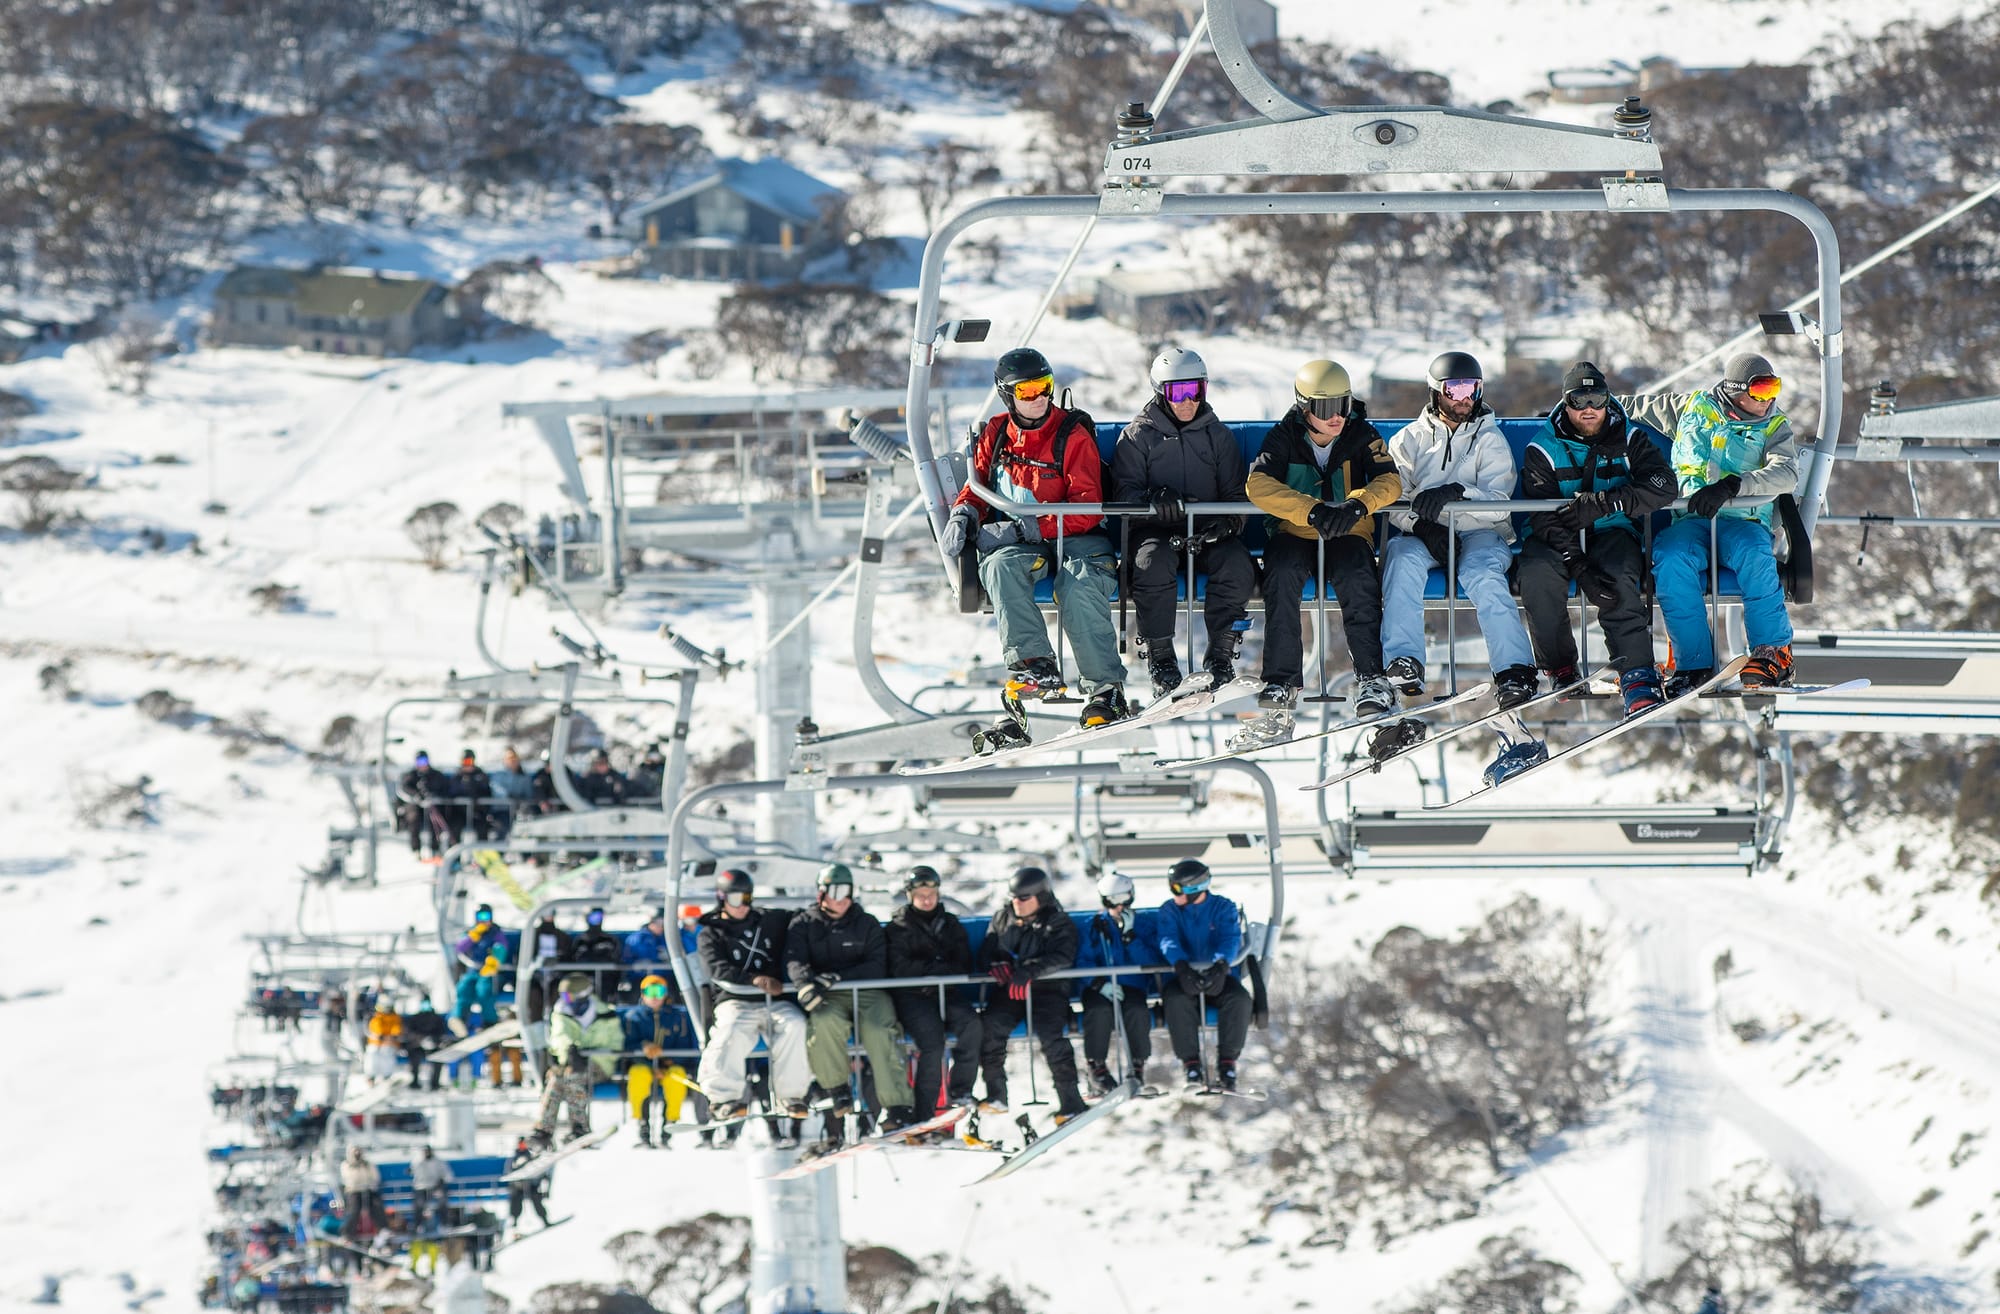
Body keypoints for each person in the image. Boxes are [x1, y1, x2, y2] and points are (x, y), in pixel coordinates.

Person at [939, 346, 1130, 750]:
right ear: (1008, 396)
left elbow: (1088, 509)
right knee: (999, 567)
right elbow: (976, 490)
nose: (1039, 398)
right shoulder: (994, 433)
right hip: (1025, 542)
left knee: (1079, 586)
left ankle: (1104, 692)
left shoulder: (1071, 435)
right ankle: (1033, 665)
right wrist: (964, 514)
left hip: (1077, 537)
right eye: (1026, 392)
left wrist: (1027, 526)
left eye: (1044, 387)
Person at [1381, 352, 1547, 785]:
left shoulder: (1489, 440)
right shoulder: (1409, 440)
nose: (1464, 398)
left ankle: (1514, 670)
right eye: (1454, 389)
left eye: (1471, 389)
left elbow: (1499, 502)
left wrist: (1458, 495)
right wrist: (1423, 524)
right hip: (1425, 535)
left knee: (1482, 575)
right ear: (1436, 392)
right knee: (1400, 561)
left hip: (1479, 533)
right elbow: (1393, 500)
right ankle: (1404, 659)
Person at [1243, 359, 1404, 742]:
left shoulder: (1361, 434)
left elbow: (1390, 480)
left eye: (1343, 406)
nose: (1337, 418)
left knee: (1357, 577)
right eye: (1326, 408)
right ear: (1305, 408)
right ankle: (1282, 681)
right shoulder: (1284, 436)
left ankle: (1370, 677)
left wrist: (1358, 505)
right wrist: (1309, 510)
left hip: (1348, 531)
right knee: (1280, 575)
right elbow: (1257, 485)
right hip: (1297, 532)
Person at [1518, 362, 1678, 715]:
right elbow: (1542, 517)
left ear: (1607, 401)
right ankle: (1560, 667)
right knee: (1537, 572)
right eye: (1579, 400)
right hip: (1555, 535)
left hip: (1611, 529)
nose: (1589, 408)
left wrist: (1609, 502)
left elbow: (1664, 485)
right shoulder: (1543, 448)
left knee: (1619, 571)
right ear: (1566, 404)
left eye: (1597, 398)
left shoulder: (1630, 438)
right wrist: (1578, 565)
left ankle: (1636, 673)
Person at [1652, 352, 1800, 693]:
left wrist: (1735, 485)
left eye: (1774, 387)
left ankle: (1772, 653)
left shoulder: (1775, 427)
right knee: (1671, 556)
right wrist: (1578, 415)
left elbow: (1786, 473)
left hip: (1742, 519)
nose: (1769, 399)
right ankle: (1693, 663)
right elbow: (1628, 407)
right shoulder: (1691, 408)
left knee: (1753, 554)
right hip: (1693, 519)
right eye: (1761, 389)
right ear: (1736, 390)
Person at [1111, 345, 1254, 696]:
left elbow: (1236, 495)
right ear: (1161, 393)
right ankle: (1160, 655)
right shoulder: (1138, 436)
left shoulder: (1217, 436)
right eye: (1178, 392)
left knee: (1237, 564)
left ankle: (1221, 653)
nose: (1188, 401)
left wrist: (1227, 523)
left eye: (1196, 390)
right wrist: (1152, 500)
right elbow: (1123, 494)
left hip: (1208, 532)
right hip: (1155, 532)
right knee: (1150, 563)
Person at [787, 863, 917, 1141]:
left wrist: (838, 976)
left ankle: (897, 1106)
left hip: (867, 990)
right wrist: (805, 984)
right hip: (828, 996)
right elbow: (794, 958)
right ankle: (837, 1090)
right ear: (821, 893)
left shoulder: (865, 923)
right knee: (823, 1022)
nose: (842, 898)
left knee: (879, 1030)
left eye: (847, 891)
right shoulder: (804, 925)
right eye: (835, 891)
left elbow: (877, 963)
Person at [695, 869, 812, 1137]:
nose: (743, 905)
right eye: (736, 899)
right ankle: (723, 1098)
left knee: (796, 1025)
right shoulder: (711, 932)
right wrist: (753, 979)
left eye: (747, 898)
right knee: (731, 1030)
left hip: (773, 1000)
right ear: (722, 898)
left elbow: (799, 918)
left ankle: (791, 1095)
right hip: (735, 999)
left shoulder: (767, 921)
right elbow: (716, 969)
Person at [975, 866, 1088, 1122]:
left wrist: (1031, 971)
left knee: (1051, 1034)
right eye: (1014, 897)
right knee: (991, 1027)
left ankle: (1071, 1100)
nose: (1018, 903)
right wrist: (996, 964)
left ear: (1040, 897)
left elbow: (1063, 955)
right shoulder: (1002, 918)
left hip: (1047, 990)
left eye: (1024, 898)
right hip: (1011, 991)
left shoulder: (1057, 921)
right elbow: (987, 951)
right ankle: (996, 1094)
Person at [885, 865, 981, 1116]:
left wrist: (934, 972)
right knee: (932, 1043)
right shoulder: (898, 928)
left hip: (946, 992)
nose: (927, 899)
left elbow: (961, 962)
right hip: (913, 997)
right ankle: (925, 1109)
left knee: (971, 1024)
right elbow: (899, 967)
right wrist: (934, 968)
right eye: (920, 895)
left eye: (931, 893)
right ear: (910, 896)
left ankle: (961, 1089)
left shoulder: (949, 925)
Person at [1155, 859, 1251, 1091]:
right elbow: (1167, 938)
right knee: (1176, 1000)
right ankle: (1191, 1064)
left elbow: (1229, 937)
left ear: (1193, 888)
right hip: (1183, 977)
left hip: (1217, 975)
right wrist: (1181, 966)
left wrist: (1220, 966)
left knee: (1239, 999)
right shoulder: (1170, 910)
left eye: (1177, 888)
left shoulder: (1223, 907)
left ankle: (1227, 1063)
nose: (1173, 893)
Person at [1075, 872, 1157, 1093]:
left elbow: (1151, 960)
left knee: (1137, 1010)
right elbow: (1082, 959)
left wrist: (1130, 937)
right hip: (1099, 986)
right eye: (1113, 900)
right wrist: (1098, 982)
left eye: (1125, 899)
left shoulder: (1143, 926)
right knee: (1099, 1011)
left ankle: (1137, 1064)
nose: (1120, 906)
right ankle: (1096, 1065)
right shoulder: (1092, 927)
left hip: (1132, 984)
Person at [531, 974, 620, 1148]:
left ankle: (579, 1127)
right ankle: (543, 1131)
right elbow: (559, 1038)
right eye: (564, 996)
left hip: (600, 1065)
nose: (566, 1000)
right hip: (570, 1064)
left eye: (569, 996)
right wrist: (570, 1054)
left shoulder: (606, 1014)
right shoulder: (561, 1012)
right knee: (557, 1078)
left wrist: (588, 1057)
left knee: (571, 1078)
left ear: (583, 994)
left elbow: (614, 1044)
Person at [621, 974, 704, 1147]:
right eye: (650, 991)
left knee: (677, 1077)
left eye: (659, 991)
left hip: (670, 1065)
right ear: (642, 994)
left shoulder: (677, 1017)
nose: (654, 996)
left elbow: (684, 1045)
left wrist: (668, 1062)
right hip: (642, 1065)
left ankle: (669, 1125)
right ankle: (643, 1125)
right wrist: (645, 1050)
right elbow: (628, 1045)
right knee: (638, 1076)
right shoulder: (633, 1017)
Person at [396, 750, 454, 859]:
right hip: (416, 807)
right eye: (419, 762)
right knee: (414, 819)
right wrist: (416, 796)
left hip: (432, 807)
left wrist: (434, 796)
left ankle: (435, 849)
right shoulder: (411, 775)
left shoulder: (436, 775)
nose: (422, 764)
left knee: (435, 818)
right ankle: (416, 849)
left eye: (424, 761)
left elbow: (445, 789)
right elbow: (404, 788)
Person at [570, 906, 623, 1001]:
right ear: (587, 919)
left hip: (606, 981)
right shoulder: (580, 941)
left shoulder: (610, 940)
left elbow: (617, 961)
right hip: (585, 980)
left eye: (599, 918)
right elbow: (574, 961)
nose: (596, 921)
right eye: (593, 918)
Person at [484, 746, 536, 841]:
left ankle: (527, 854)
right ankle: (497, 852)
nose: (512, 761)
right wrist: (509, 796)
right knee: (501, 828)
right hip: (501, 810)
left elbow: (529, 793)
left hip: (519, 810)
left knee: (526, 830)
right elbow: (497, 789)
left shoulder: (523, 776)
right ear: (505, 760)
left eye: (514, 759)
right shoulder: (498, 774)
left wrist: (523, 802)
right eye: (509, 759)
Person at [399, 998, 450, 1091]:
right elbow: (409, 1032)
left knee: (438, 1057)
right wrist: (421, 1040)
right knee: (414, 1056)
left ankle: (435, 1083)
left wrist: (433, 1040)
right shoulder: (415, 1018)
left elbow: (441, 1032)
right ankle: (414, 1082)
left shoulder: (436, 1018)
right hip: (417, 1045)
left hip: (433, 1045)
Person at [504, 1137, 552, 1233]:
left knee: (536, 1199)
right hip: (519, 1187)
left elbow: (537, 1169)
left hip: (531, 1186)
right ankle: (514, 1221)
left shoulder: (531, 1156)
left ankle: (545, 1220)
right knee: (516, 1200)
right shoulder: (513, 1158)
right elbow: (508, 1172)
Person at [621, 908, 672, 995]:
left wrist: (667, 959)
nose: (661, 927)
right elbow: (626, 959)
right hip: (640, 979)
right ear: (652, 922)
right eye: (659, 922)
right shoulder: (637, 938)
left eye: (664, 923)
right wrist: (636, 965)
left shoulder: (667, 938)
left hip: (663, 979)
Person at [338, 1147, 385, 1239]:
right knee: (353, 1211)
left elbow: (375, 1177)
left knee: (377, 1207)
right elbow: (350, 1179)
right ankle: (347, 1233)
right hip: (353, 1191)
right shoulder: (346, 1165)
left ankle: (383, 1229)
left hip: (368, 1190)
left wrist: (369, 1184)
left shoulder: (367, 1165)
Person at [450, 749, 492, 845]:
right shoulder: (457, 777)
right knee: (455, 828)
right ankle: (455, 857)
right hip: (460, 812)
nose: (467, 765)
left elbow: (487, 792)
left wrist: (474, 792)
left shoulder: (481, 775)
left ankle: (482, 857)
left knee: (482, 829)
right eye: (465, 762)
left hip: (477, 811)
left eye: (469, 761)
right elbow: (452, 793)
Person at [408, 1146, 450, 1229]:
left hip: (436, 1187)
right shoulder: (417, 1162)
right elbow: (412, 1172)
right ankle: (418, 1225)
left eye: (428, 1151)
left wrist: (440, 1185)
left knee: (442, 1201)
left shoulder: (439, 1162)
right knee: (419, 1204)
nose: (426, 1153)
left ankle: (445, 1224)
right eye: (425, 1152)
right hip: (421, 1188)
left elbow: (448, 1175)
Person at [364, 1001, 403, 1081]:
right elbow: (374, 1030)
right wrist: (379, 1036)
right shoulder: (376, 1017)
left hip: (389, 1043)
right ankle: (371, 1076)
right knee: (372, 1053)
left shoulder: (395, 1017)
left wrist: (391, 1038)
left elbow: (396, 1030)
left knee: (387, 1052)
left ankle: (387, 1076)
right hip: (375, 1042)